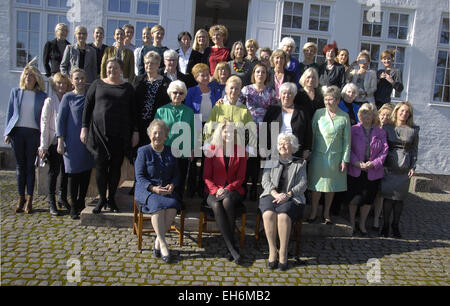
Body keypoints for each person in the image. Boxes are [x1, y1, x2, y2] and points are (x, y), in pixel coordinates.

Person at [82, 57, 138, 214]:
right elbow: (87, 106)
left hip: (120, 134)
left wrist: (135, 131)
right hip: (99, 133)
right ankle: (101, 199)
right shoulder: (97, 84)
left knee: (115, 167)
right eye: (109, 67)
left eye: (114, 68)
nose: (111, 70)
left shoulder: (128, 87)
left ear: (121, 70)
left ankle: (112, 198)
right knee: (100, 167)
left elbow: (134, 112)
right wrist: (84, 127)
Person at [134, 119, 181, 263]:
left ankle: (157, 242)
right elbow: (139, 176)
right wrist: (153, 188)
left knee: (173, 206)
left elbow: (177, 174)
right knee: (158, 207)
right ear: (149, 135)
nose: (157, 136)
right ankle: (163, 244)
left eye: (161, 133)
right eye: (155, 133)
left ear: (166, 136)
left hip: (166, 190)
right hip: (147, 190)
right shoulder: (143, 151)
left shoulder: (170, 151)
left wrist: (172, 184)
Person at [259, 133, 307, 271]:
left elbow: (302, 184)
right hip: (271, 194)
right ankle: (272, 250)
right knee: (268, 215)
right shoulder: (271, 159)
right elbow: (265, 180)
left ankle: (283, 252)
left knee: (283, 216)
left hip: (292, 197)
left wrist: (288, 194)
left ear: (293, 146)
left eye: (286, 143)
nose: (282, 146)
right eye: (280, 143)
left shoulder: (301, 162)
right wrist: (274, 193)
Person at [4, 65, 47, 214]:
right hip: (17, 133)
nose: (29, 77)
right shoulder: (16, 92)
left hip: (33, 133)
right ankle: (20, 198)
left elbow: (44, 118)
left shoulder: (42, 95)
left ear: (36, 78)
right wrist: (7, 132)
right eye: (27, 75)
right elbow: (10, 112)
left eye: (32, 75)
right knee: (20, 167)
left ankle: (30, 200)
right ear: (23, 77)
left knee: (30, 167)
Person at [203, 120, 247, 264]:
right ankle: (231, 247)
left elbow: (241, 177)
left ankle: (230, 247)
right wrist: (216, 190)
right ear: (220, 133)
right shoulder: (212, 149)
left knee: (227, 200)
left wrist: (227, 188)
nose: (228, 134)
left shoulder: (240, 150)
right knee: (216, 205)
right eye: (225, 131)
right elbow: (206, 176)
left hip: (234, 189)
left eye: (231, 131)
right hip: (213, 190)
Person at [307, 86, 350, 224]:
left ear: (337, 100)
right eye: (325, 99)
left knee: (331, 187)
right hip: (318, 155)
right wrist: (309, 151)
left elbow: (347, 141)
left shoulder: (344, 116)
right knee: (316, 186)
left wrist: (345, 160)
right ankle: (314, 212)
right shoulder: (318, 113)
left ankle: (326, 212)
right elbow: (311, 134)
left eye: (330, 99)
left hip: (335, 157)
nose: (327, 102)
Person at [56, 68, 95, 219]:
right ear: (72, 81)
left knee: (85, 173)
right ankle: (73, 206)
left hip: (87, 141)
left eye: (82, 78)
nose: (80, 81)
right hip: (71, 141)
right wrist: (60, 140)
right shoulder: (67, 97)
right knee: (73, 173)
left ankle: (81, 202)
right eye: (77, 78)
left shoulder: (90, 96)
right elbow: (61, 120)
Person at [347, 103, 388, 236]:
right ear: (359, 115)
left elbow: (384, 151)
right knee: (354, 198)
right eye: (364, 113)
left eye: (369, 113)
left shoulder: (381, 132)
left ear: (374, 115)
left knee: (368, 199)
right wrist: (357, 163)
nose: (366, 116)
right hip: (356, 169)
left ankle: (362, 223)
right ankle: (352, 222)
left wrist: (374, 164)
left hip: (373, 171)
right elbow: (348, 149)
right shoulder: (353, 130)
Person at [240, 63, 278, 200]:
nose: (260, 75)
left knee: (258, 160)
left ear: (266, 76)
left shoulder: (271, 92)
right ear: (253, 74)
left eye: (263, 72)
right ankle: (243, 186)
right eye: (257, 72)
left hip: (264, 130)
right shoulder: (246, 90)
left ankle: (255, 187)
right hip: (248, 129)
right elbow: (237, 105)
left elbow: (275, 111)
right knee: (246, 158)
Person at [380, 102, 419, 238]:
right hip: (390, 165)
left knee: (399, 199)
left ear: (410, 114)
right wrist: (383, 164)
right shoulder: (387, 127)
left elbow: (414, 150)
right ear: (396, 111)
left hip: (404, 167)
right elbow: (383, 147)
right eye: (402, 111)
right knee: (388, 198)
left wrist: (413, 166)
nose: (404, 114)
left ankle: (395, 226)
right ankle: (385, 226)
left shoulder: (413, 130)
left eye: (407, 112)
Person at [184, 63, 222, 197]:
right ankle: (190, 188)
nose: (206, 77)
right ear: (195, 77)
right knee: (193, 158)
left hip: (211, 128)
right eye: (202, 75)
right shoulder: (191, 91)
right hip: (195, 126)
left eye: (207, 74)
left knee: (207, 158)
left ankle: (203, 187)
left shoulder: (215, 91)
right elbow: (188, 112)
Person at [155, 80, 194, 201]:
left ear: (184, 95)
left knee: (180, 178)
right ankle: (165, 201)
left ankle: (178, 202)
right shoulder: (161, 111)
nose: (178, 95)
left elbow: (192, 131)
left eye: (181, 93)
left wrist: (192, 148)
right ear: (170, 94)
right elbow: (155, 131)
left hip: (183, 150)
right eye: (175, 92)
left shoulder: (189, 111)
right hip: (165, 149)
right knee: (166, 177)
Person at [39, 72, 71, 216]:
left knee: (65, 172)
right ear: (54, 85)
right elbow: (44, 123)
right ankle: (51, 200)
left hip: (67, 141)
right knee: (54, 172)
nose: (61, 86)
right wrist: (43, 145)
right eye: (59, 83)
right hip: (53, 141)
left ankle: (62, 197)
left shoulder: (68, 98)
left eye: (63, 83)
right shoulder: (49, 101)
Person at [204, 76, 257, 157]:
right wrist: (207, 145)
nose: (234, 91)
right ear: (226, 89)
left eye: (236, 89)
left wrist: (249, 148)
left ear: (239, 91)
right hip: (218, 151)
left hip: (238, 152)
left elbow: (252, 131)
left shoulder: (244, 110)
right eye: (231, 88)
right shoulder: (218, 107)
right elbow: (209, 126)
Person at [263, 82, 312, 161]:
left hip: (296, 153)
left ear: (294, 95)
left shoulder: (302, 112)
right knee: (272, 173)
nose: (286, 96)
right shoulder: (272, 109)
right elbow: (263, 128)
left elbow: (308, 132)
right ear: (280, 94)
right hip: (274, 152)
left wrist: (307, 149)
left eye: (290, 94)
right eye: (284, 93)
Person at [133, 51, 170, 147]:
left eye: (152, 63)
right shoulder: (138, 80)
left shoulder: (166, 82)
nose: (149, 65)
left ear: (158, 65)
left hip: (157, 125)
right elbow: (132, 103)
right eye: (146, 63)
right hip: (139, 125)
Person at [372, 103, 394, 230]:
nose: (385, 117)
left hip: (384, 164)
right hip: (373, 164)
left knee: (380, 193)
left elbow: (389, 149)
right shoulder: (373, 127)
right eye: (383, 114)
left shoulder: (391, 130)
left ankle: (376, 218)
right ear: (379, 114)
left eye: (388, 115)